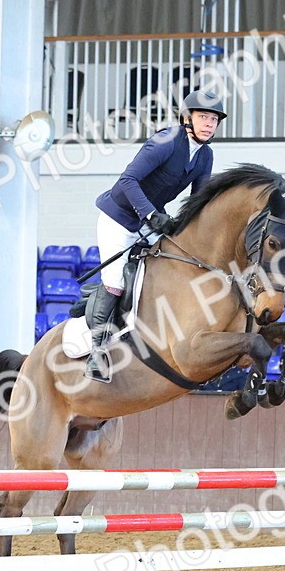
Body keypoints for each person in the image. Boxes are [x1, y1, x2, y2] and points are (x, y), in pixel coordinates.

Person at [85, 89, 227, 382]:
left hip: (150, 220)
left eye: (214, 119)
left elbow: (197, 200)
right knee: (114, 282)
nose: (209, 124)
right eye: (203, 117)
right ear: (187, 118)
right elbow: (128, 180)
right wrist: (151, 214)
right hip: (119, 218)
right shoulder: (165, 141)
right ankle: (96, 352)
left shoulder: (205, 156)